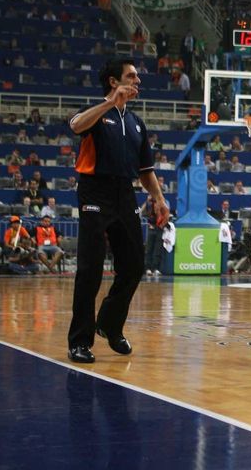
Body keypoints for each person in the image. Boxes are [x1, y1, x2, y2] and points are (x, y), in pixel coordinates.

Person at [66, 59, 169, 364]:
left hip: (124, 193)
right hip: (94, 190)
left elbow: (146, 169)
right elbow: (74, 125)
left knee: (135, 265)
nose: (138, 79)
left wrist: (159, 198)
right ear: (114, 81)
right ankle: (80, 341)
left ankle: (109, 323)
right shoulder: (98, 114)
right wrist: (109, 103)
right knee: (90, 269)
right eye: (131, 75)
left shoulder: (137, 123)